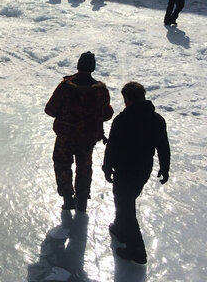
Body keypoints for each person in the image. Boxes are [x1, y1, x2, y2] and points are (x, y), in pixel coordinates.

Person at [102, 82, 170, 264]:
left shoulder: (122, 119)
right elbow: (163, 147)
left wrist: (107, 167)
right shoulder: (156, 119)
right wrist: (165, 167)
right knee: (124, 200)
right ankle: (119, 228)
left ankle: (137, 251)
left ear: (128, 99)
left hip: (125, 170)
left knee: (126, 207)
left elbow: (112, 146)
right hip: (143, 170)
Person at [45, 51, 114, 212]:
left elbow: (50, 109)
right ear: (93, 67)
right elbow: (107, 114)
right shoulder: (100, 90)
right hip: (88, 138)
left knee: (62, 165)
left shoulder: (65, 86)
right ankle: (82, 201)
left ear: (78, 65)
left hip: (65, 137)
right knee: (84, 168)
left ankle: (68, 199)